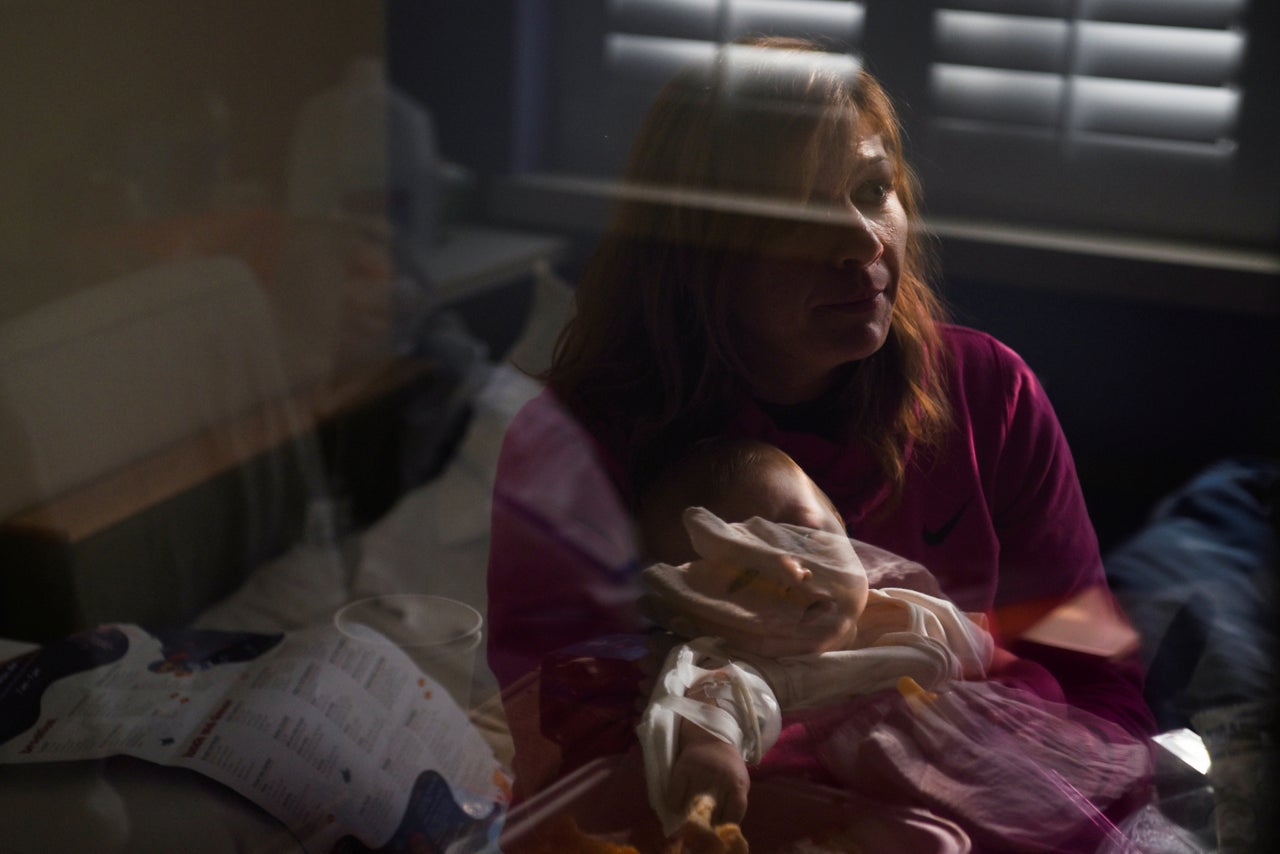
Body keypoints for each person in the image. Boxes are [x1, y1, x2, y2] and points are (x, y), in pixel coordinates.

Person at [486, 33, 1154, 813]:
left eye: (874, 189)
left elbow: (1105, 689)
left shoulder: (989, 396)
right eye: (799, 208)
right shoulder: (569, 453)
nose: (862, 241)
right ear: (695, 246)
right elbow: (577, 764)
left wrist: (992, 735)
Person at [631, 439, 1149, 850]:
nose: (791, 571)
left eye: (805, 537)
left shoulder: (906, 612)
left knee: (1076, 822)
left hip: (977, 777)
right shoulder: (735, 660)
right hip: (846, 812)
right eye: (744, 579)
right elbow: (714, 701)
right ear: (691, 614)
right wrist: (714, 751)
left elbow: (991, 657)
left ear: (844, 529)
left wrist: (1031, 697)